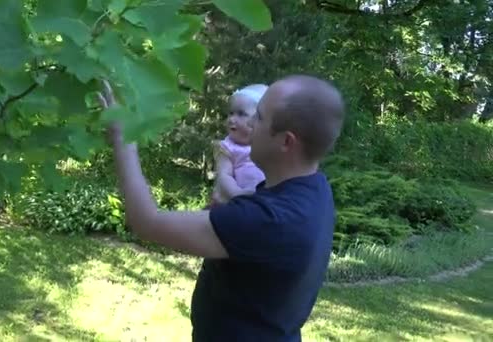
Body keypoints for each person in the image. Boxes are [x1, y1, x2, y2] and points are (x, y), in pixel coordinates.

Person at [99, 74, 345, 342]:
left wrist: (122, 136)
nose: (249, 124)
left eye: (259, 117)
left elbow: (146, 221)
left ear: (286, 142)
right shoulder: (314, 189)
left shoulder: (267, 220)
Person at [210, 84, 267, 206]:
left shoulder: (268, 145)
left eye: (241, 114)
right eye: (231, 113)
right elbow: (224, 175)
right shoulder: (227, 147)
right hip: (237, 202)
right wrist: (237, 194)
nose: (231, 119)